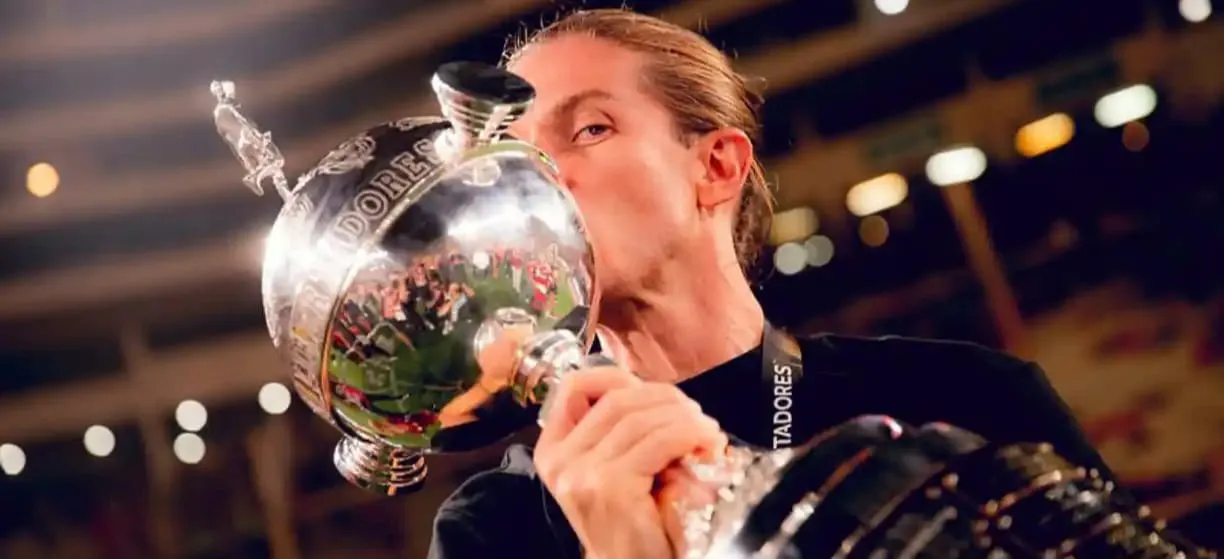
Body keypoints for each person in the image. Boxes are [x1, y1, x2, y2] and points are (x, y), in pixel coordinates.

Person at [428, 8, 1118, 559]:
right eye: (517, 159)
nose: (543, 180)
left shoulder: (963, 396)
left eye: (589, 129)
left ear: (717, 167)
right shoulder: (498, 527)